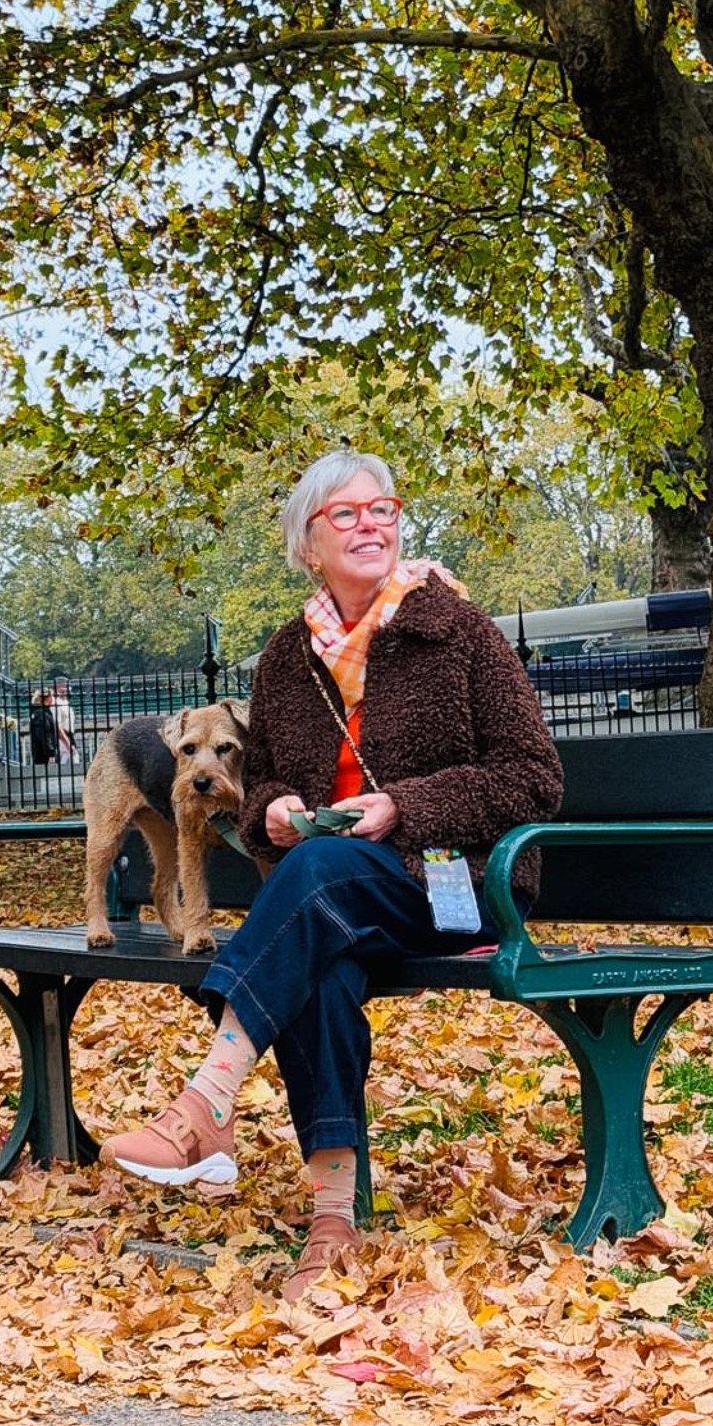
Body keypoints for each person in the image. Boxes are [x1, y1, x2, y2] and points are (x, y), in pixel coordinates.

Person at [100, 448, 564, 1299]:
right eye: (345, 515)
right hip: (333, 897)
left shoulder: (458, 629)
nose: (369, 525)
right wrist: (270, 809)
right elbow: (263, 782)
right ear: (307, 544)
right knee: (321, 957)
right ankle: (333, 1224)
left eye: (382, 510)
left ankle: (206, 1104)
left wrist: (406, 808)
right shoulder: (286, 657)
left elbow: (534, 778)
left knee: (314, 879)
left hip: (450, 881)